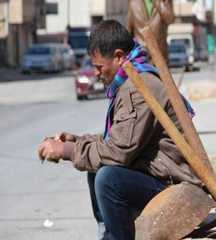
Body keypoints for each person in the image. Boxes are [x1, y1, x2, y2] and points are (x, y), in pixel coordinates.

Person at [37, 20, 199, 240]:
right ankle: (108, 235)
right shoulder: (133, 81)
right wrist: (75, 142)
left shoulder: (137, 89)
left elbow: (118, 152)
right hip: (160, 174)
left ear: (119, 56)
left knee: (108, 177)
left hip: (174, 183)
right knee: (97, 167)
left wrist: (66, 150)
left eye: (99, 67)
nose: (96, 73)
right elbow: (119, 138)